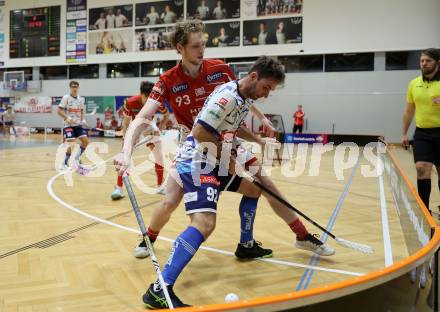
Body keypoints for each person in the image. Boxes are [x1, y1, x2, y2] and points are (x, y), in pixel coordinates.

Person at [139, 56, 334, 308]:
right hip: (199, 160)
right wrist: (231, 164)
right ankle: (160, 289)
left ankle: (247, 245)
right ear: (254, 77)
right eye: (266, 87)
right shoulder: (228, 96)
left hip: (216, 157)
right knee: (205, 223)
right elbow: (199, 132)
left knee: (254, 189)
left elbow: (232, 127)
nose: (266, 95)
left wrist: (259, 142)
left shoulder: (243, 97)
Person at [115, 20, 278, 260]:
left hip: (220, 147)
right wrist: (126, 151)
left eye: (203, 45)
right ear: (180, 48)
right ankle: (149, 238)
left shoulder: (220, 69)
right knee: (169, 202)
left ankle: (247, 243)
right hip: (191, 152)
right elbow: (143, 116)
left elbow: (243, 93)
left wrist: (262, 118)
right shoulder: (168, 80)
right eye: (194, 46)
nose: (201, 51)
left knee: (255, 189)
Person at [111, 81, 167, 200]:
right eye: (146, 97)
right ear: (141, 94)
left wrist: (159, 129)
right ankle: (119, 188)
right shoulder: (130, 102)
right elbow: (126, 121)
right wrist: (125, 136)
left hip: (148, 125)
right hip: (134, 125)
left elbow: (166, 116)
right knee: (124, 157)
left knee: (159, 157)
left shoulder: (156, 101)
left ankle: (160, 186)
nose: (148, 101)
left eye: (150, 97)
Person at [401, 48, 440, 214]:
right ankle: (425, 210)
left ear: (438, 63)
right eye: (422, 61)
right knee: (421, 168)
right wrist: (404, 133)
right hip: (422, 133)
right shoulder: (414, 84)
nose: (424, 63)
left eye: (428, 61)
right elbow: (409, 111)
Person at [57, 81, 88, 168]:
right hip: (68, 125)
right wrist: (68, 118)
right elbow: (59, 111)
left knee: (85, 142)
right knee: (72, 144)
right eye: (73, 87)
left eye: (76, 87)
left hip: (77, 125)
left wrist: (83, 120)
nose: (75, 88)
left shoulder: (81, 99)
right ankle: (64, 163)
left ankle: (77, 159)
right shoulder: (66, 98)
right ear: (70, 88)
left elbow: (81, 110)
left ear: (78, 88)